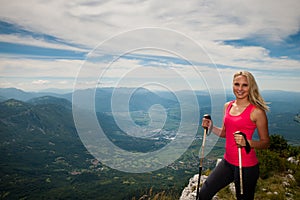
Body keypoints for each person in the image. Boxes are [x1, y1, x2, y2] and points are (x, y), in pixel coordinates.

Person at [198, 71, 270, 200]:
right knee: (204, 194)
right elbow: (226, 133)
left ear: (251, 87)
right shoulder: (228, 106)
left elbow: (265, 142)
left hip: (246, 166)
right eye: (237, 84)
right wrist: (211, 127)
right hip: (227, 162)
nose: (240, 89)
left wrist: (247, 142)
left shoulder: (257, 112)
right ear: (232, 85)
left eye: (245, 85)